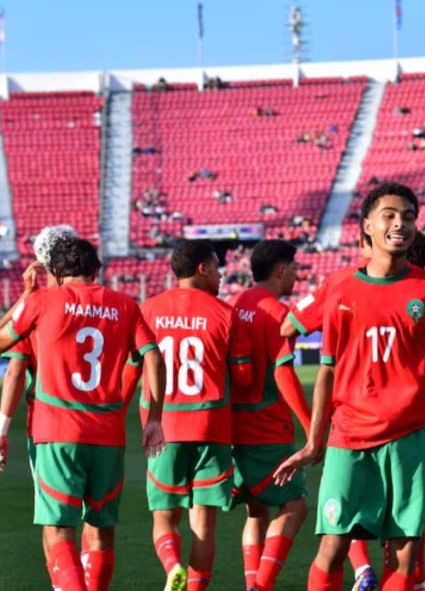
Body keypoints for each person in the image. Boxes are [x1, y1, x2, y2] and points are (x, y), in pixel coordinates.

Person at [273, 182, 425, 591]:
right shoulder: (341, 291)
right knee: (333, 546)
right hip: (348, 438)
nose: (400, 223)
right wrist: (314, 441)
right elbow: (328, 372)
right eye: (389, 215)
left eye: (408, 216)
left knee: (405, 554)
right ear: (367, 226)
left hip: (411, 438)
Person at [0, 237, 168, 591]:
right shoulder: (125, 304)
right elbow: (154, 358)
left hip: (57, 430)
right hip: (108, 433)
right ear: (97, 270)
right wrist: (155, 418)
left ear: (54, 272)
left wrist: (26, 295)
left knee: (58, 529)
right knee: (100, 529)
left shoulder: (42, 300)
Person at [279, 229, 425, 591]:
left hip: (367, 426)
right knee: (403, 535)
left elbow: (289, 326)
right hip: (399, 427)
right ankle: (387, 576)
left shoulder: (339, 283)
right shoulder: (346, 286)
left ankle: (366, 570)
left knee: (353, 529)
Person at [134, 239, 254, 591]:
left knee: (165, 518)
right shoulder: (225, 312)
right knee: (203, 523)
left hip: (163, 429)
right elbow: (244, 378)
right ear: (202, 269)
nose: (220, 276)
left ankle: (172, 567)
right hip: (211, 427)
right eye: (217, 268)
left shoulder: (149, 309)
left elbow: (134, 367)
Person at [0, 224, 78, 591]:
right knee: (96, 523)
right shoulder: (109, 302)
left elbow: (11, 367)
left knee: (55, 523)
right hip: (101, 425)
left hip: (48, 426)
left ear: (45, 264)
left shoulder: (38, 308)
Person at [228, 240, 313, 591]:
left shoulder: (235, 303)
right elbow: (284, 373)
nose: (297, 273)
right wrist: (312, 429)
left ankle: (253, 583)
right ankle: (261, 587)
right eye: (294, 267)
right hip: (266, 428)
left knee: (256, 509)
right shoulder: (277, 313)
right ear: (280, 270)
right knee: (295, 506)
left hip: (233, 426)